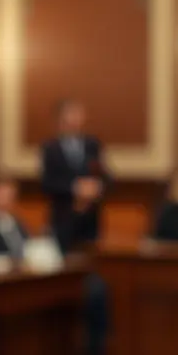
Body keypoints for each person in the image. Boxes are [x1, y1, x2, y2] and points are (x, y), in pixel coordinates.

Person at [41, 99, 107, 253]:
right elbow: (47, 183)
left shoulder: (93, 145)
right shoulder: (50, 148)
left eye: (79, 114)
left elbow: (106, 176)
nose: (75, 118)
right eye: (71, 113)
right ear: (61, 118)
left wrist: (96, 187)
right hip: (64, 219)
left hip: (90, 220)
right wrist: (75, 188)